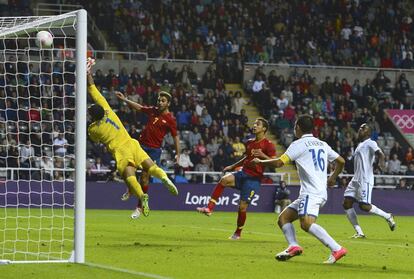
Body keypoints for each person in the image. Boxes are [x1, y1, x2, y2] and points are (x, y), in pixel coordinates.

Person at [86, 58, 178, 217]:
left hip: (122, 151)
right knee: (150, 169)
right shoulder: (108, 109)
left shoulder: (93, 128)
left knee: (129, 176)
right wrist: (88, 72)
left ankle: (142, 198)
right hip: (134, 143)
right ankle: (163, 177)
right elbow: (93, 89)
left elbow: (94, 139)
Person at [253, 114, 347, 264]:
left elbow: (278, 163)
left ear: (298, 128)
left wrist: (260, 161)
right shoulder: (322, 144)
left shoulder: (298, 144)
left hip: (311, 192)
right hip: (316, 192)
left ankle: (336, 248)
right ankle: (293, 246)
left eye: (295, 127)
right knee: (284, 218)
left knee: (306, 223)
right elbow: (341, 161)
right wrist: (333, 177)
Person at [196, 118, 276, 240]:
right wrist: (232, 166)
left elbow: (275, 163)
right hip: (243, 173)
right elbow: (246, 158)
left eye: (258, 124)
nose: (254, 125)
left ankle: (238, 232)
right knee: (223, 180)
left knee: (242, 207)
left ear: (264, 129)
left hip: (253, 179)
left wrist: (263, 156)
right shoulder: (249, 142)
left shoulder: (269, 145)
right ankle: (209, 208)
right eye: (254, 123)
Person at [115, 88, 180, 219]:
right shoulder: (153, 111)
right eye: (159, 100)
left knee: (144, 177)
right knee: (128, 169)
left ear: (168, 103)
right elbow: (139, 107)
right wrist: (124, 99)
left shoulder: (170, 120)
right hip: (140, 146)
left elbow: (175, 137)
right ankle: (131, 189)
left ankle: (139, 207)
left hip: (154, 150)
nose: (160, 102)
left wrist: (178, 154)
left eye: (163, 101)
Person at [342, 123, 396, 238]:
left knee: (364, 206)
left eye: (363, 128)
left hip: (365, 179)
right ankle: (359, 232)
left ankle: (387, 216)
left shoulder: (371, 142)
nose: (360, 129)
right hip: (356, 179)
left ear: (369, 132)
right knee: (347, 203)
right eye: (360, 127)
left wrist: (381, 162)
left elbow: (380, 153)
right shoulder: (360, 145)